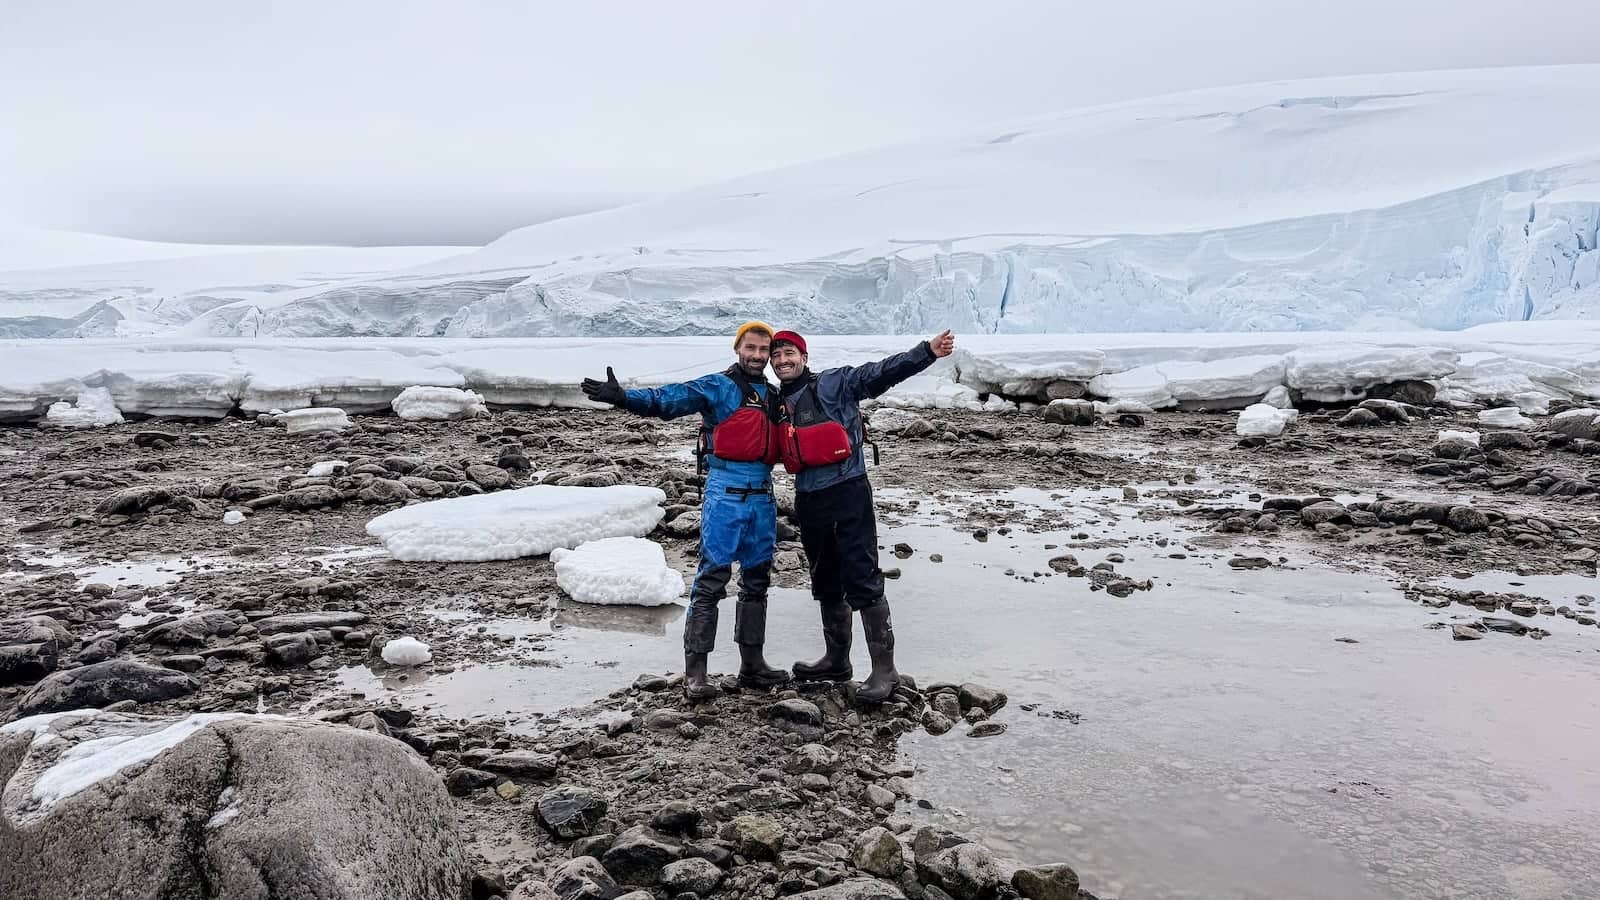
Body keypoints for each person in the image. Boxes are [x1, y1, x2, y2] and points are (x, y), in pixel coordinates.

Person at [580, 322, 789, 699]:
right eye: (751, 348)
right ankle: (696, 672)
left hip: (763, 493)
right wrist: (624, 398)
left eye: (763, 350)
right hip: (725, 491)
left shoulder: (774, 395)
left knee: (756, 581)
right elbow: (669, 400)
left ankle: (752, 664)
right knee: (711, 580)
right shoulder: (717, 387)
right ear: (738, 349)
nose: (757, 356)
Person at [769, 327, 956, 703]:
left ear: (804, 358)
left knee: (862, 576)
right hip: (809, 497)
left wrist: (927, 352)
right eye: (777, 356)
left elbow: (881, 372)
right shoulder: (774, 401)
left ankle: (885, 670)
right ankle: (837, 660)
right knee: (825, 579)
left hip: (848, 490)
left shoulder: (836, 383)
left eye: (790, 353)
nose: (783, 360)